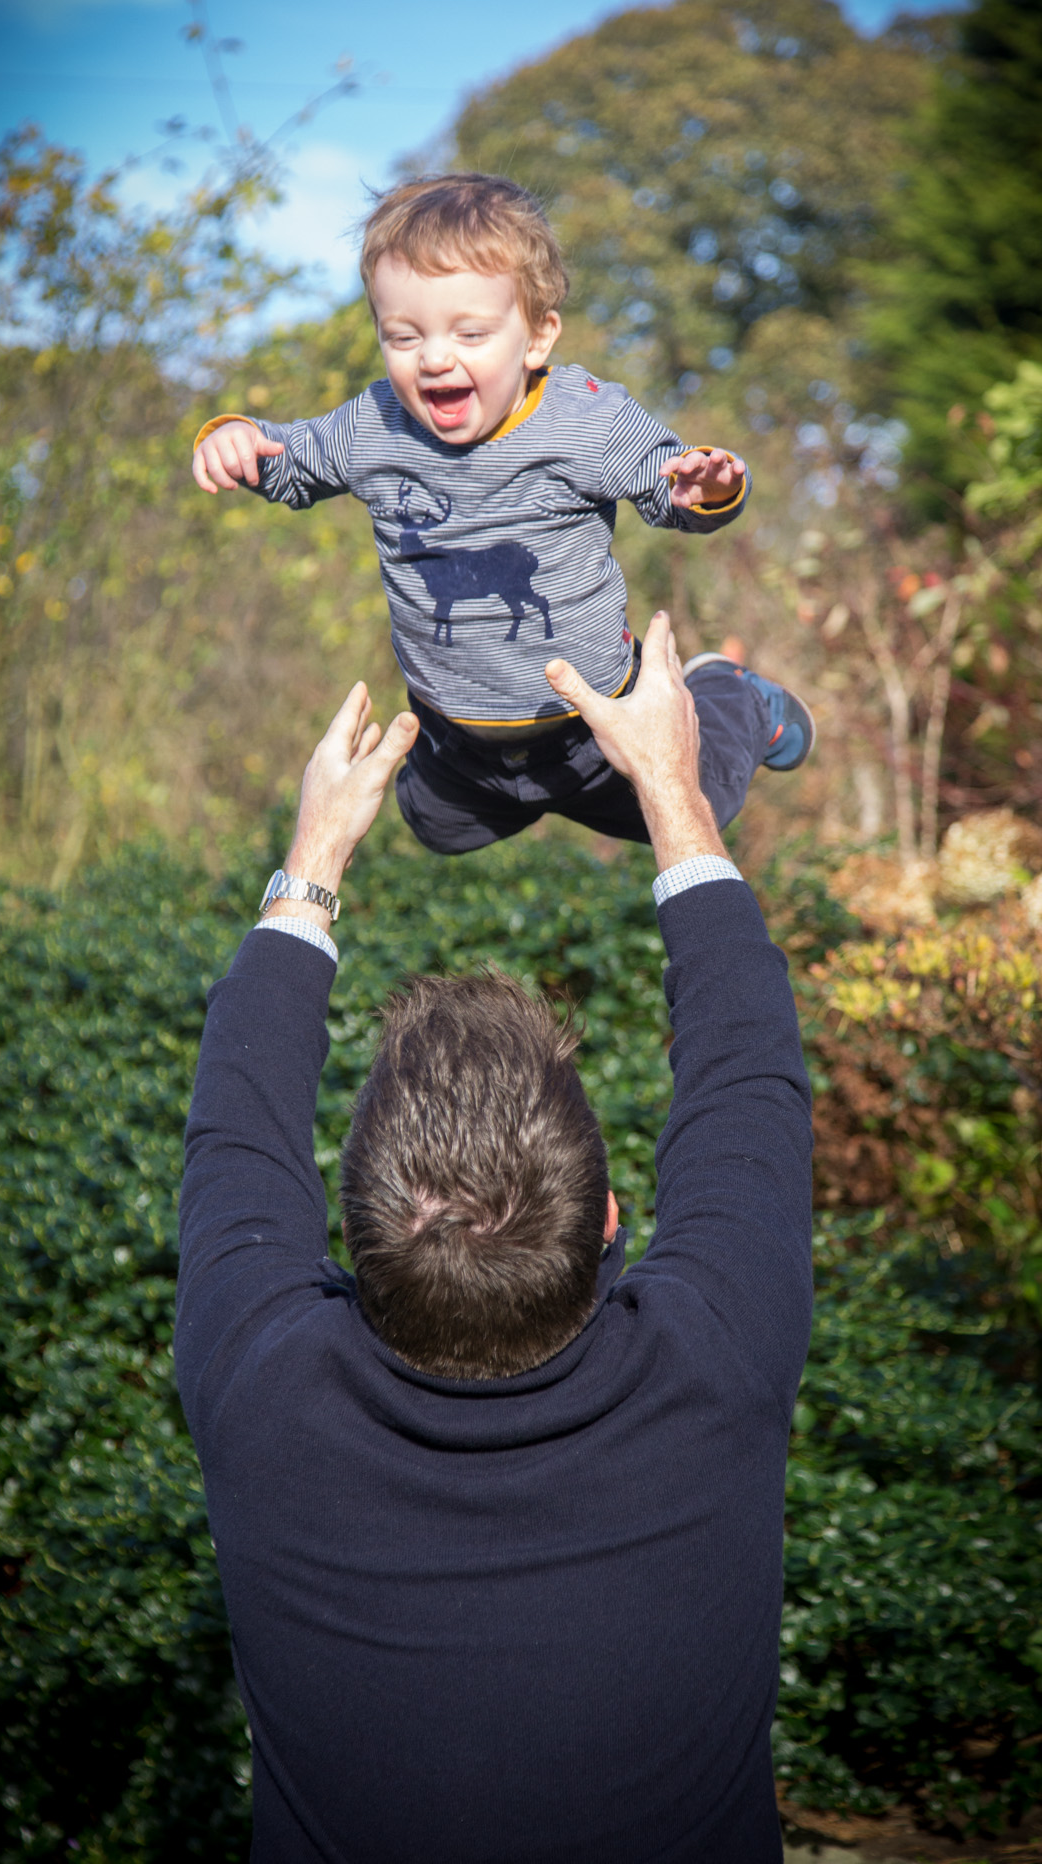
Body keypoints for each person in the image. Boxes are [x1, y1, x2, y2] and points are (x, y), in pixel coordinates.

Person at [176, 612, 814, 1863]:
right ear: (612, 1220)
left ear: (350, 1250)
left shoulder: (268, 1392)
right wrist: (673, 790)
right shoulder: (717, 1362)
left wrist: (315, 853)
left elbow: (234, 1130)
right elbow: (747, 1073)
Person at [190, 171, 814, 856]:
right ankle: (486, 793)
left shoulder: (587, 420)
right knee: (435, 830)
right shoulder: (373, 426)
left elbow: (669, 488)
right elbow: (292, 463)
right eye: (402, 337)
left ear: (538, 337)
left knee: (696, 805)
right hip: (458, 740)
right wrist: (238, 439)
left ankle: (733, 696)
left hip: (596, 725)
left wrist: (706, 489)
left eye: (469, 333)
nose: (433, 358)